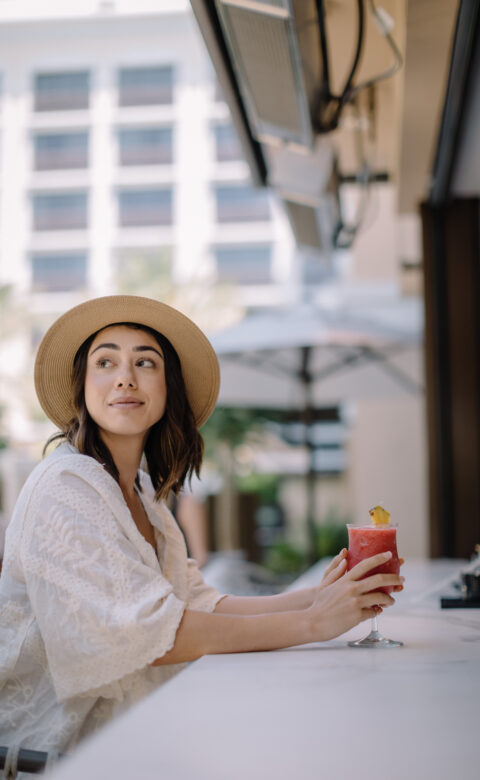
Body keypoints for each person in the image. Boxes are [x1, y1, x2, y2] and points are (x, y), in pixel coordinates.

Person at [0, 295, 404, 757]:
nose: (125, 377)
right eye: (105, 361)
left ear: (168, 387)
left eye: (145, 363)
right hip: (58, 757)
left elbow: (197, 603)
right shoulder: (65, 483)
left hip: (143, 733)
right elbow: (142, 635)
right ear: (82, 388)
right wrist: (312, 622)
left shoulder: (146, 497)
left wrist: (323, 594)